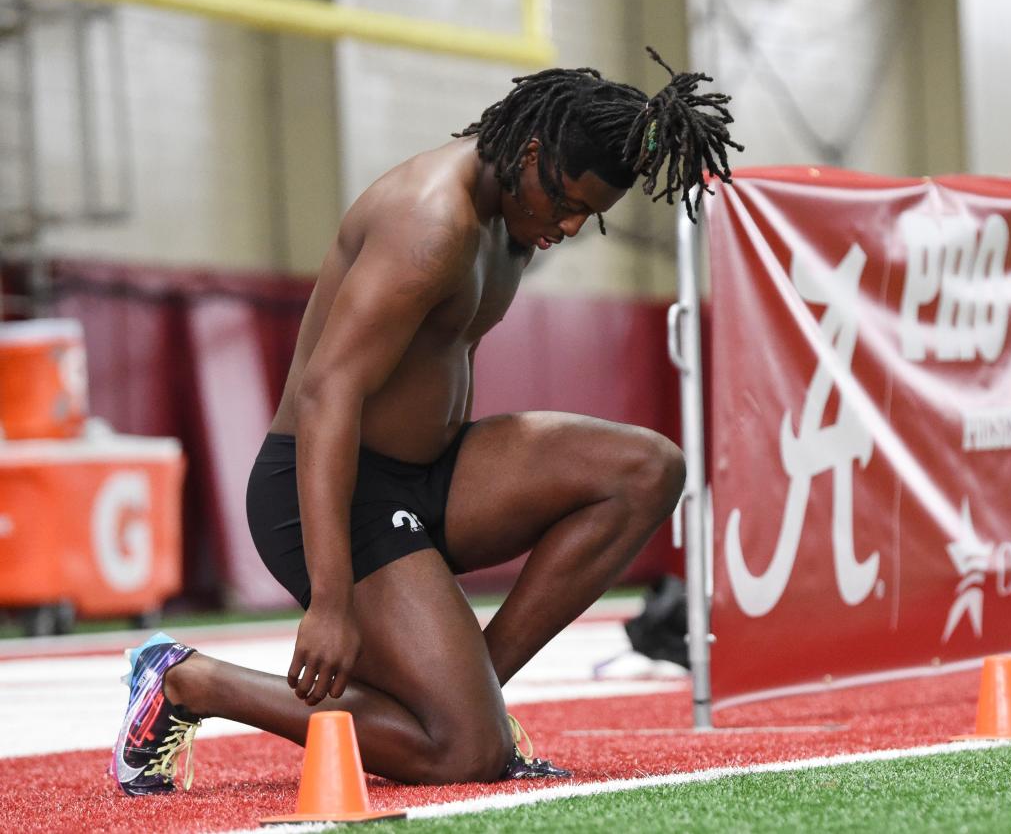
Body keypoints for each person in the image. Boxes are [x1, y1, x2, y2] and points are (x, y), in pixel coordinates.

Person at [111, 47, 740, 796]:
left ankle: (469, 702)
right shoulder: (430, 220)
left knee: (647, 468)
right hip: (337, 492)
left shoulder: (518, 210)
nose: (570, 227)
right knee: (461, 757)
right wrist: (333, 597)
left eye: (589, 216)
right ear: (531, 154)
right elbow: (326, 395)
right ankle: (188, 681)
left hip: (432, 476)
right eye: (567, 203)